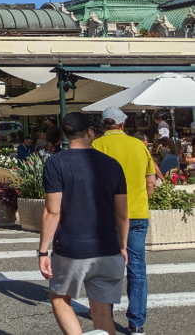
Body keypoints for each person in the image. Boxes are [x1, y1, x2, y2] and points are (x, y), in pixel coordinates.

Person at [39, 112, 129, 335]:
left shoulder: (56, 163)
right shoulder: (112, 165)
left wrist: (42, 252)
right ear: (90, 132)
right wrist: (123, 246)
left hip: (71, 248)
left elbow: (52, 211)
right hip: (108, 248)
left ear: (65, 135)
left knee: (59, 298)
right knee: (102, 314)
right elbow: (123, 214)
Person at [93, 107, 157, 335]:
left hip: (107, 214)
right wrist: (141, 200)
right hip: (137, 214)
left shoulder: (97, 146)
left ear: (103, 125)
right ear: (123, 123)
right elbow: (151, 182)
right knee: (137, 267)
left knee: (106, 268)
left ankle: (105, 319)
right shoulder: (139, 146)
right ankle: (137, 323)